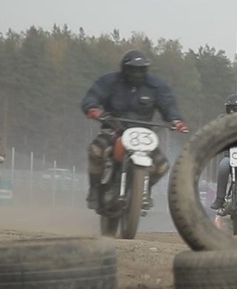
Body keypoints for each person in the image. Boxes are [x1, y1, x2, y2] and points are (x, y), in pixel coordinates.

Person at [80, 49, 189, 209]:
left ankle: (144, 189)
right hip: (113, 130)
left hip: (142, 136)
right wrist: (93, 109)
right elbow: (93, 97)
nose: (136, 74)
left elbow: (168, 104)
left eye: (140, 70)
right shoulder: (109, 82)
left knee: (162, 166)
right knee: (95, 151)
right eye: (132, 69)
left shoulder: (156, 86)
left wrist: (176, 120)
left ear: (146, 69)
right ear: (124, 68)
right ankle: (95, 189)